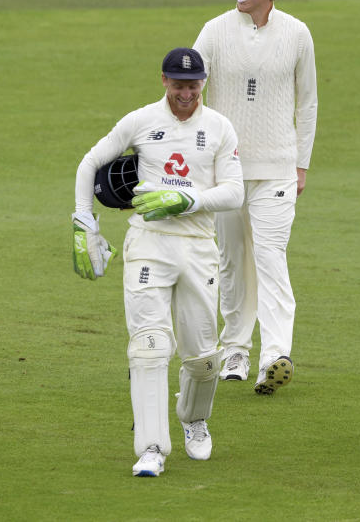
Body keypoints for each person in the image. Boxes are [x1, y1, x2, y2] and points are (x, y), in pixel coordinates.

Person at [72, 48, 244, 477]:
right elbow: (90, 162)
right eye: (178, 83)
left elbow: (235, 192)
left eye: (193, 84)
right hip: (149, 242)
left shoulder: (219, 127)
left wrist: (187, 199)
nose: (186, 92)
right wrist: (83, 224)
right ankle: (151, 447)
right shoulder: (141, 121)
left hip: (199, 245)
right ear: (163, 80)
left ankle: (194, 418)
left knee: (203, 358)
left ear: (203, 82)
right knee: (149, 346)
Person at [193, 0, 317, 395]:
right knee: (232, 261)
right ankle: (236, 351)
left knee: (269, 256)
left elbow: (307, 102)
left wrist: (301, 162)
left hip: (277, 169)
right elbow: (190, 88)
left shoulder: (297, 34)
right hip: (225, 171)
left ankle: (275, 354)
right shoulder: (215, 30)